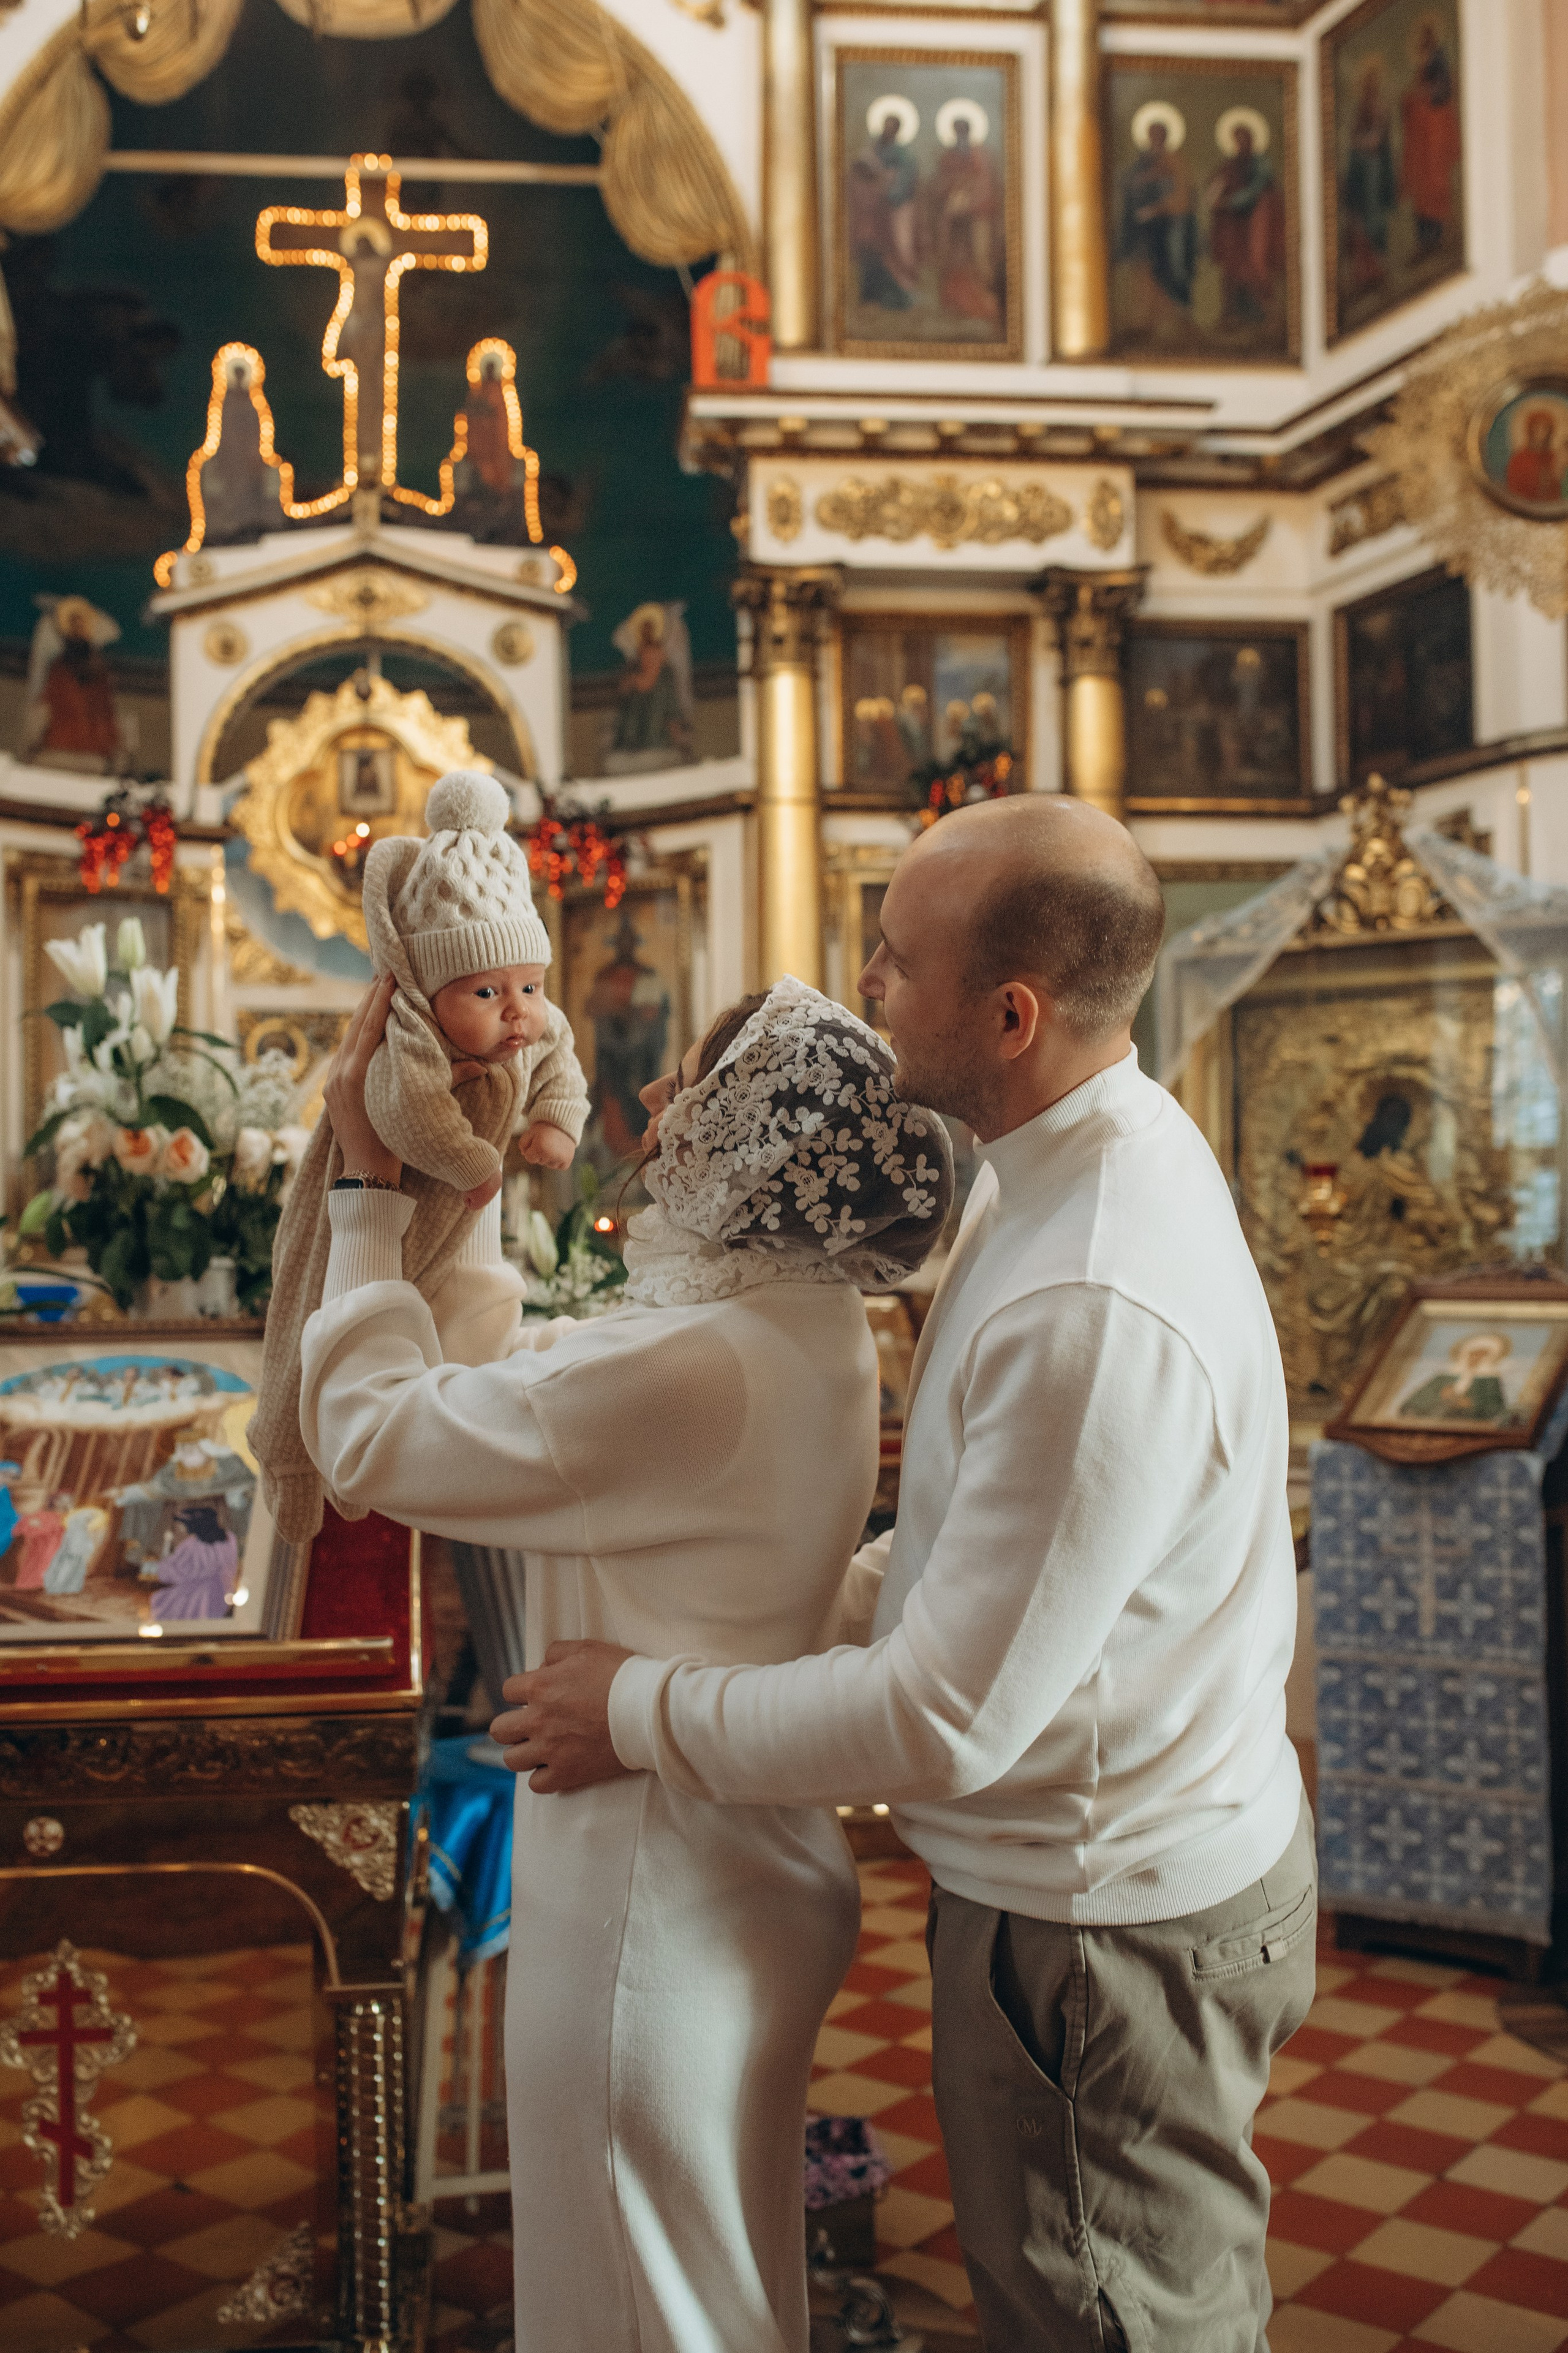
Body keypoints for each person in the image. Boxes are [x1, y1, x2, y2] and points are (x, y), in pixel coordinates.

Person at [500, 795, 1314, 2353]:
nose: (864, 987)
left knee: (1108, 2316)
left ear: (1007, 1013)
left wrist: (645, 1704)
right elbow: (978, 1554)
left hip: (1098, 1925)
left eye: (893, 960)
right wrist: (803, 1603)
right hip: (1109, 1863)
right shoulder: (1068, 1148)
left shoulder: (1092, 1293)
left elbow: (948, 1718)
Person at [296, 975, 954, 2353]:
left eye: (691, 1081)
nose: (654, 1102)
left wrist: (366, 1195)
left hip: (646, 1896)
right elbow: (509, 1381)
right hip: (733, 1870)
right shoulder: (791, 1321)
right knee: (707, 2282)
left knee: (635, 2303)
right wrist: (467, 1191)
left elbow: (368, 1439)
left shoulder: (697, 1359)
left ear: (751, 1138)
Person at [251, 768, 590, 1542]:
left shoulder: (532, 1022)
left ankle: (384, 1456)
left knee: (438, 1350)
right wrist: (476, 1165)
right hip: (390, 1196)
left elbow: (562, 1057)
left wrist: (557, 1120)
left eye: (532, 986)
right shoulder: (408, 1035)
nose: (519, 1012)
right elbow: (407, 1111)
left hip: (459, 1234)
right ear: (428, 992)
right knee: (315, 1322)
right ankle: (300, 1472)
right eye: (486, 993)